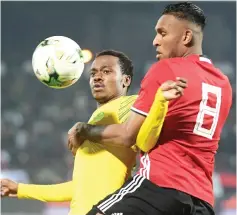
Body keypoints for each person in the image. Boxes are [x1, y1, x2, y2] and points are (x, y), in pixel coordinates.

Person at [68, 2, 232, 215]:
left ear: (186, 37)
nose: (155, 41)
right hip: (202, 201)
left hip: (158, 189)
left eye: (162, 33)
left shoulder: (165, 69)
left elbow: (128, 135)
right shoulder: (223, 84)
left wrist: (85, 130)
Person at [0, 50, 186, 215]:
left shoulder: (131, 103)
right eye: (93, 73)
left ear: (126, 80)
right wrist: (20, 189)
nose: (97, 77)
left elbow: (144, 140)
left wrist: (160, 102)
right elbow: (80, 187)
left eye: (106, 72)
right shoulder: (97, 118)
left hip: (107, 209)